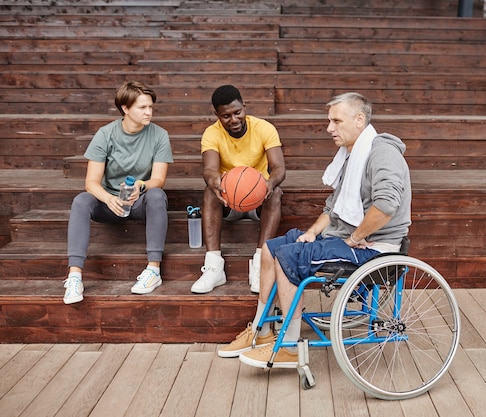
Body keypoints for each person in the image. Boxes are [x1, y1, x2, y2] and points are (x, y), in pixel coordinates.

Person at [217, 92, 412, 367]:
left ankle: (289, 347)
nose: (329, 127)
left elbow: (386, 205)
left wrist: (356, 236)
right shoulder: (351, 154)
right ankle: (261, 331)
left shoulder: (382, 153)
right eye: (329, 120)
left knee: (289, 258)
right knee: (270, 249)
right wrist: (311, 233)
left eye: (335, 120)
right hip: (344, 234)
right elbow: (333, 210)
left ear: (359, 120)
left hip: (375, 248)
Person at [63, 80, 173, 304]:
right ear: (125, 108)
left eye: (150, 107)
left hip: (140, 202)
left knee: (156, 195)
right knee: (82, 201)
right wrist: (109, 198)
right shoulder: (106, 134)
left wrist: (141, 186)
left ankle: (153, 270)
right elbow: (91, 182)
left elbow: (158, 180)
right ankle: (74, 277)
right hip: (110, 203)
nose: (148, 112)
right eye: (142, 107)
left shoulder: (160, 135)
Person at [191, 85, 286, 294]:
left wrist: (269, 183)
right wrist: (214, 181)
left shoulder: (263, 128)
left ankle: (261, 264)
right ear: (216, 115)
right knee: (209, 191)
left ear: (244, 106)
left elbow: (279, 168)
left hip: (258, 198)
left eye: (237, 112)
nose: (233, 119)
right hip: (228, 200)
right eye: (226, 116)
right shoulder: (211, 134)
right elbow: (209, 169)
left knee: (276, 192)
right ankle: (214, 266)